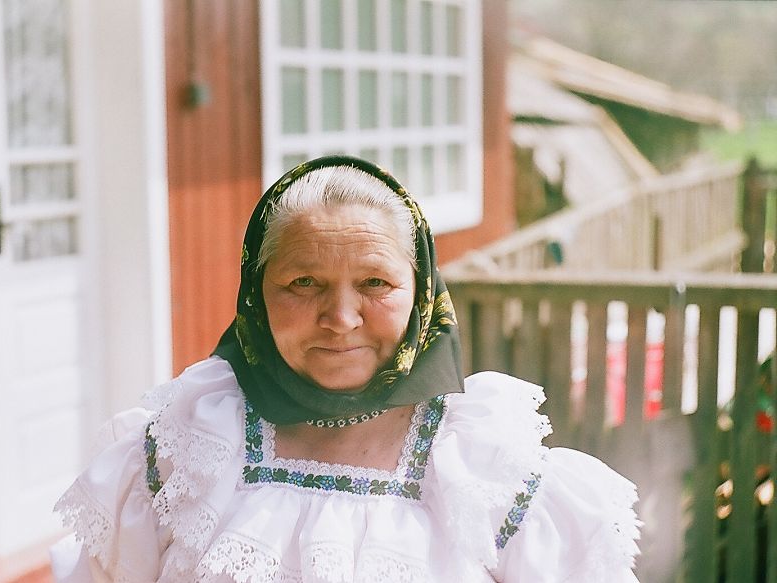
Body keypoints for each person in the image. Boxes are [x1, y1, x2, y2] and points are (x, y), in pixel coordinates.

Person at [51, 155, 641, 582]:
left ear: (421, 294)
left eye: (375, 282)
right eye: (303, 282)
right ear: (257, 295)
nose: (340, 318)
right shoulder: (186, 451)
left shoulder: (486, 469)